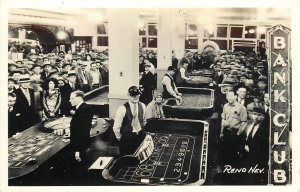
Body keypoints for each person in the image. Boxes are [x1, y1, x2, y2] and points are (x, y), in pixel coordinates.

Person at [66, 90, 94, 184]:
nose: (70, 100)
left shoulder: (84, 109)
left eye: (72, 98)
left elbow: (82, 131)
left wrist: (77, 150)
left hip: (79, 145)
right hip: (80, 143)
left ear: (79, 98)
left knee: (80, 170)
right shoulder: (83, 108)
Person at [237, 106, 269, 184]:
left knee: (256, 179)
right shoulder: (248, 124)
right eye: (254, 114)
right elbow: (242, 138)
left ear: (264, 117)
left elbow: (264, 145)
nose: (256, 117)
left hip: (258, 158)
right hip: (246, 157)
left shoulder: (266, 128)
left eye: (259, 115)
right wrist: (242, 148)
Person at [113, 86, 146, 156]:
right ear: (128, 95)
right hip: (127, 140)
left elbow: (144, 121)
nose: (135, 97)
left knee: (139, 160)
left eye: (137, 94)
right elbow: (116, 127)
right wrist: (122, 139)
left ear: (139, 94)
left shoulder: (143, 106)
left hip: (140, 137)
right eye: (132, 95)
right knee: (127, 162)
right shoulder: (122, 109)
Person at [220, 90, 247, 165]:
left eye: (231, 96)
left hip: (235, 133)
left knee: (234, 154)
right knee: (225, 152)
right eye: (228, 96)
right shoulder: (225, 106)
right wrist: (221, 132)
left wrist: (238, 134)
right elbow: (223, 119)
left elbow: (244, 122)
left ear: (235, 96)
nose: (230, 98)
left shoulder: (241, 108)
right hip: (226, 132)